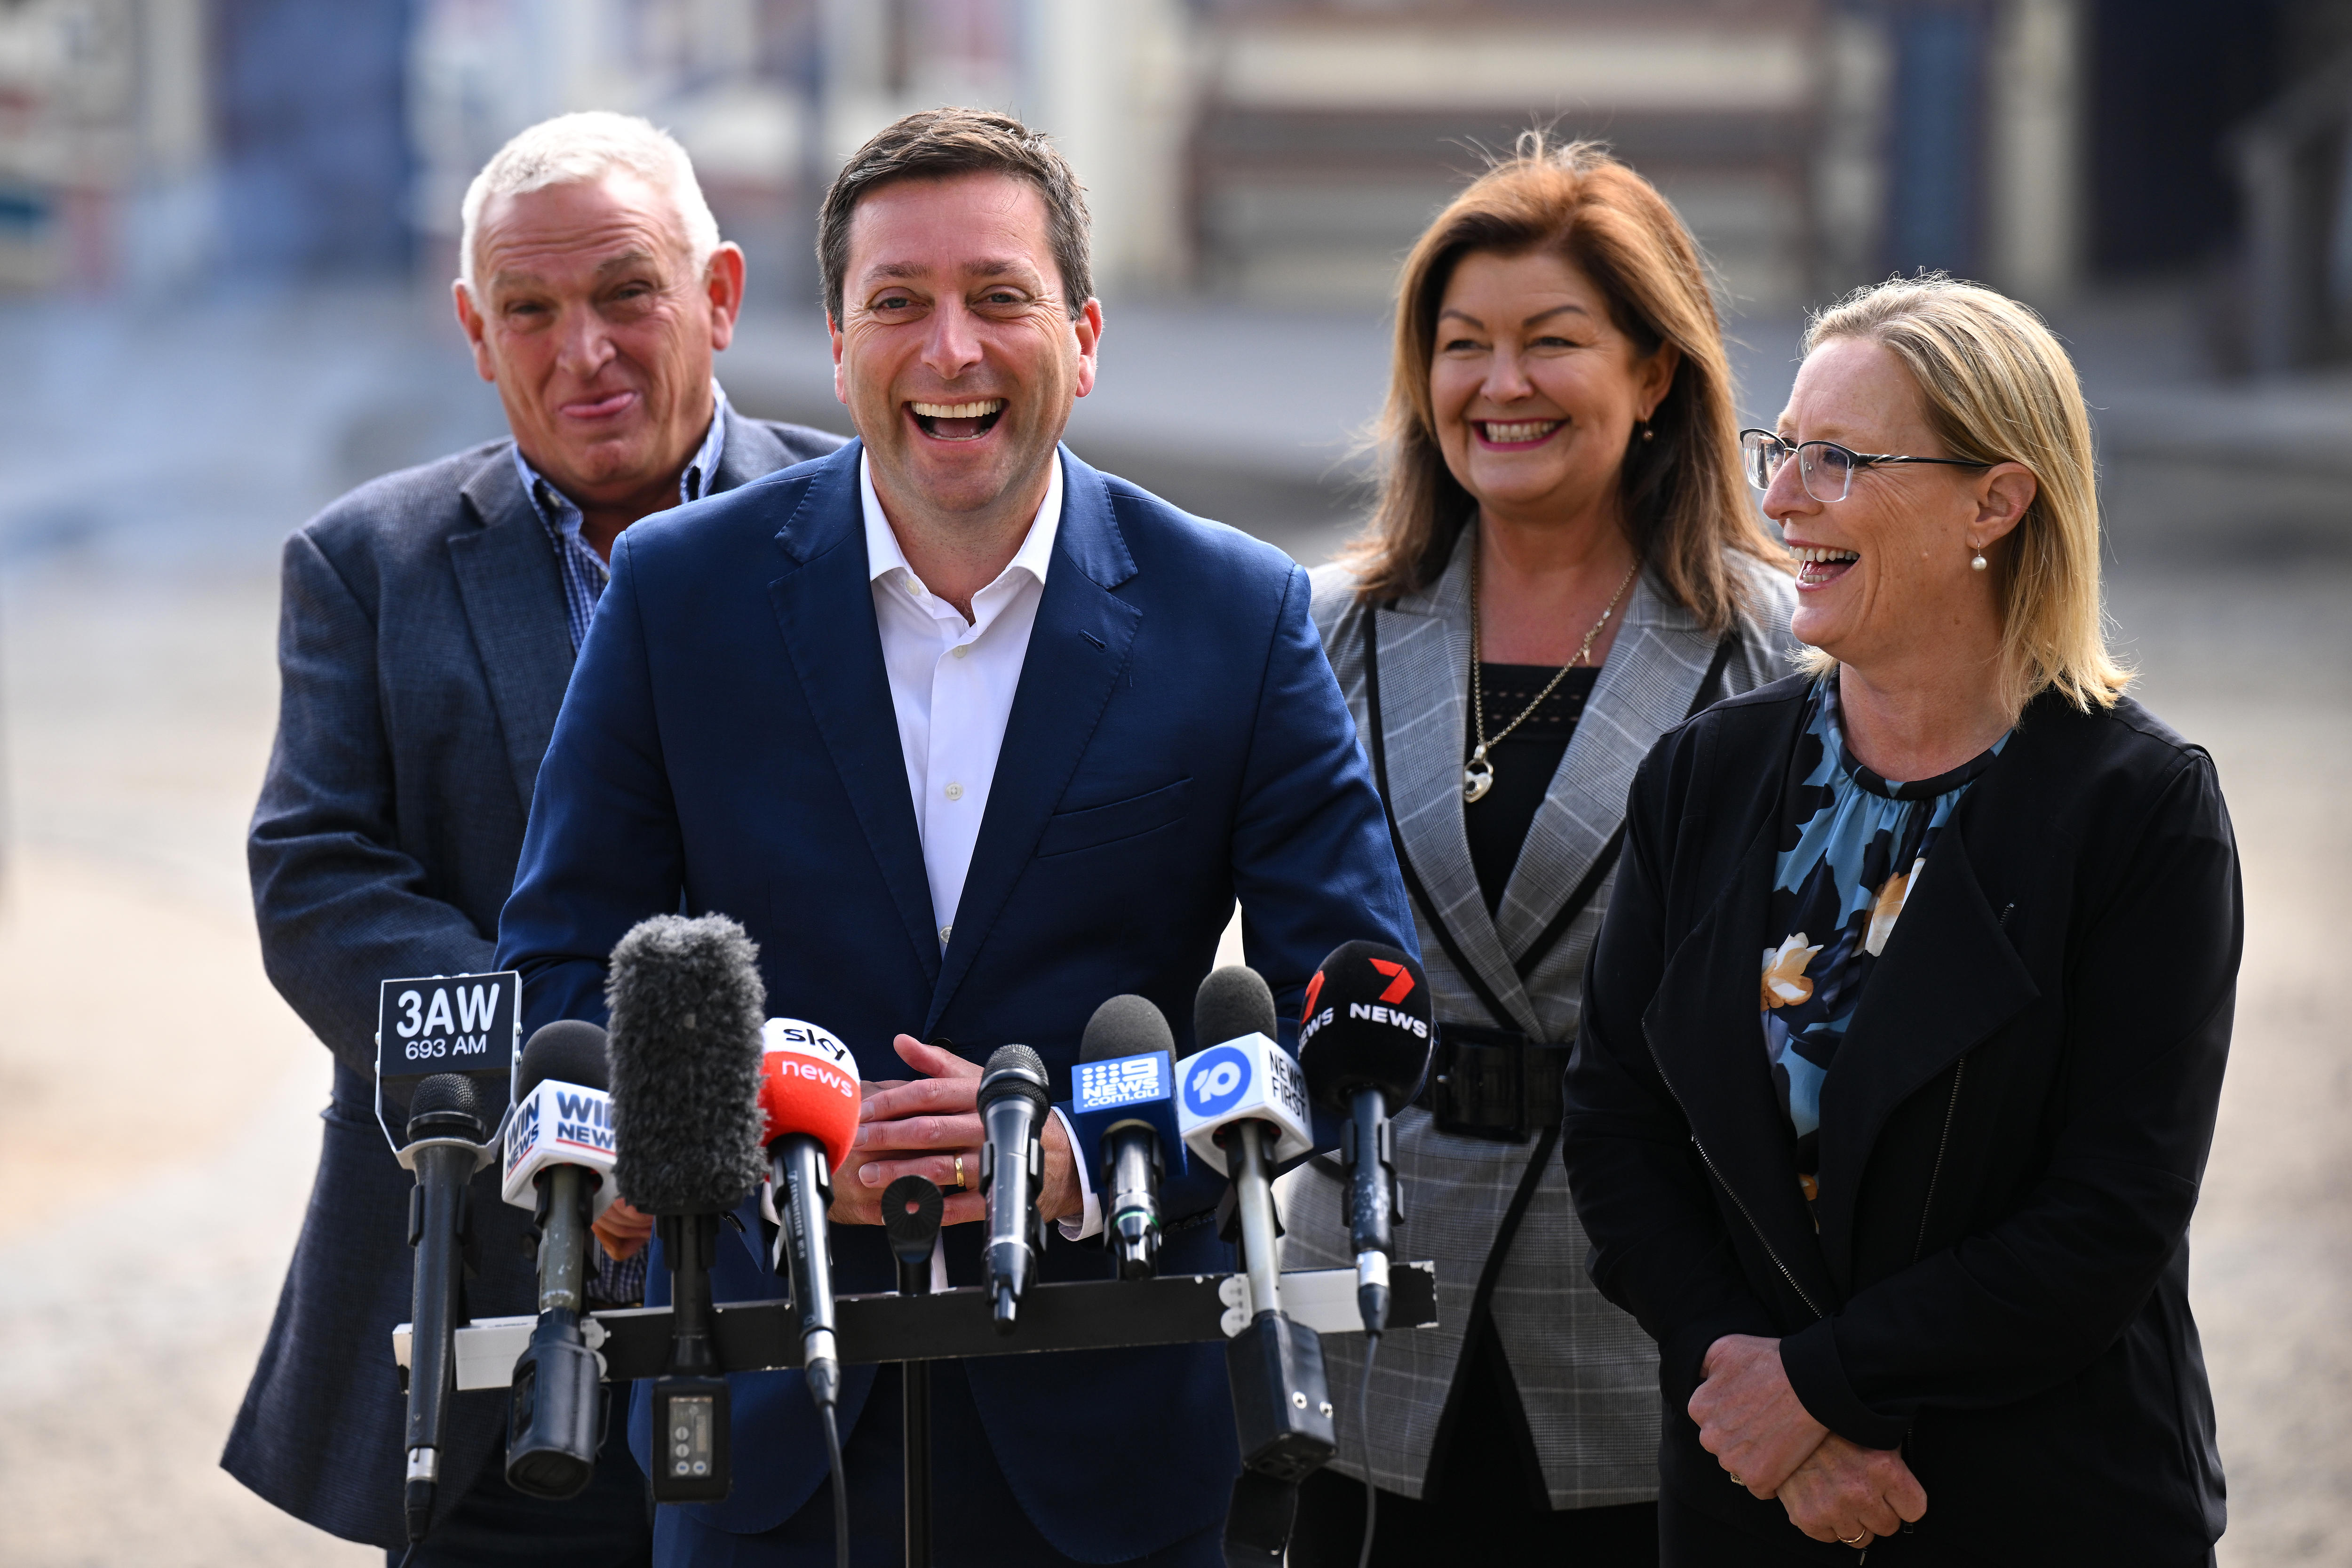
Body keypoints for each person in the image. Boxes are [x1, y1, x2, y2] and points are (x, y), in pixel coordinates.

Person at [492, 107, 1414, 1567]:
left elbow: (1346, 995)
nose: (952, 353)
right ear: (840, 341)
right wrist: (736, 1154)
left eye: (999, 299)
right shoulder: (680, 592)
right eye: (898, 305)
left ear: (1085, 334)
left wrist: (1098, 1159)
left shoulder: (1236, 613)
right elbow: (558, 958)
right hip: (765, 1430)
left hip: (1115, 1426)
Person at [223, 111, 844, 1563]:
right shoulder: (366, 564)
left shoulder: (856, 529)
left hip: (818, 1297)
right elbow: (316, 880)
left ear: (722, 293)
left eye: (629, 293)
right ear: (473, 331)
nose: (586, 353)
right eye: (532, 311)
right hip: (492, 1315)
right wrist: (589, 1086)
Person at [1562, 274, 2239, 1565]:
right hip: (1750, 1501)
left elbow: (2108, 1215)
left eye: (1838, 459)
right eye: (1782, 451)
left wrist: (1816, 1390)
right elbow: (1618, 1127)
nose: (1779, 499)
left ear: (1997, 499)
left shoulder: (2143, 811)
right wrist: (1759, 1403)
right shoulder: (1706, 775)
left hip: (2042, 1506)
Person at [1278, 137, 1794, 1565]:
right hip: (1375, 1290)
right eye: (1462, 347)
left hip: (1651, 1302)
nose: (1499, 386)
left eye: (1551, 342)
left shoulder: (1781, 655)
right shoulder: (1322, 629)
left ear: (1656, 376)